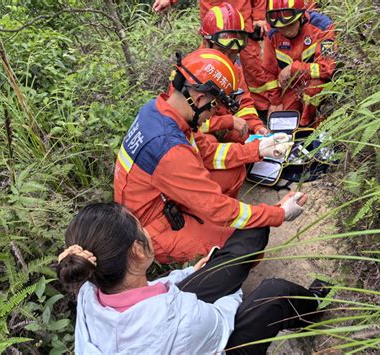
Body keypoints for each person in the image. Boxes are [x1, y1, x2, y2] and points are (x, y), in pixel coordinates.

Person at [57, 202, 331, 354]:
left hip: (169, 322)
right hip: (204, 334)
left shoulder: (89, 293)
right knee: (275, 293)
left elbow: (151, 292)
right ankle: (312, 310)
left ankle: (260, 226)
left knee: (249, 237)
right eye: (141, 226)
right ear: (138, 251)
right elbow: (220, 322)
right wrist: (228, 284)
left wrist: (193, 273)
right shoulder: (182, 320)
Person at [114, 48, 305, 264]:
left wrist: (258, 149)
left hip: (165, 200)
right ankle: (208, 281)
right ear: (200, 98)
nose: (212, 116)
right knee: (245, 248)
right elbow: (216, 206)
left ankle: (215, 227)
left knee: (232, 173)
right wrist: (278, 213)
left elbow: (207, 153)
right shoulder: (169, 148)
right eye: (215, 108)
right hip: (150, 230)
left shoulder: (159, 111)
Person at [152, 0, 272, 113]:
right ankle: (213, 112)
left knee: (253, 69)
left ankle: (261, 109)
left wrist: (259, 17)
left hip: (241, 25)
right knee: (206, 68)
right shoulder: (193, 65)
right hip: (213, 26)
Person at [197, 3, 269, 143]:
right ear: (207, 44)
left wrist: (256, 125)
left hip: (225, 127)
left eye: (233, 53)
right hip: (201, 133)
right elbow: (188, 122)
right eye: (223, 52)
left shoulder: (233, 66)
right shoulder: (193, 70)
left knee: (247, 139)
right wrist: (227, 122)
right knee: (208, 141)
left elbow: (244, 103)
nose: (227, 59)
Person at [261, 0, 336, 126]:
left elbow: (327, 68)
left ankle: (310, 125)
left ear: (302, 16)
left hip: (317, 86)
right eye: (280, 27)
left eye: (289, 25)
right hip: (291, 87)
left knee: (314, 88)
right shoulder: (273, 35)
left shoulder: (322, 27)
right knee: (284, 124)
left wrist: (294, 68)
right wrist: (275, 102)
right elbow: (269, 72)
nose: (284, 30)